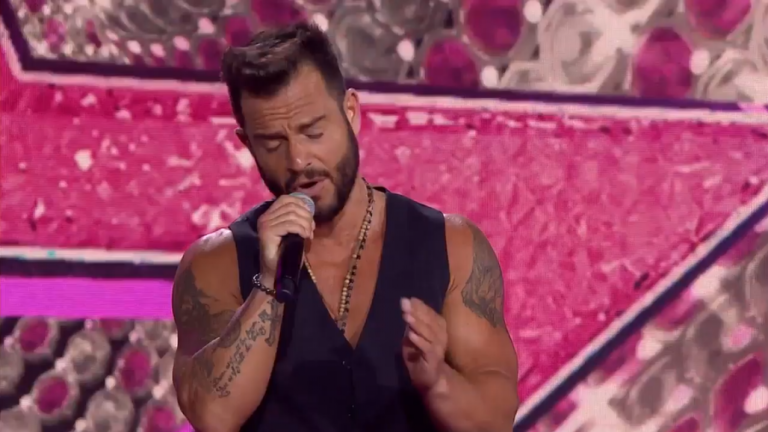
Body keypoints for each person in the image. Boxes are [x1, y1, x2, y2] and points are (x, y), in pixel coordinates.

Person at [171, 22, 519, 432]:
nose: (298, 160)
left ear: (350, 113)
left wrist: (438, 382)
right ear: (248, 144)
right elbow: (213, 415)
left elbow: (496, 420)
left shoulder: (451, 246)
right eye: (273, 143)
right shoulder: (215, 264)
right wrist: (268, 285)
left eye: (314, 132)